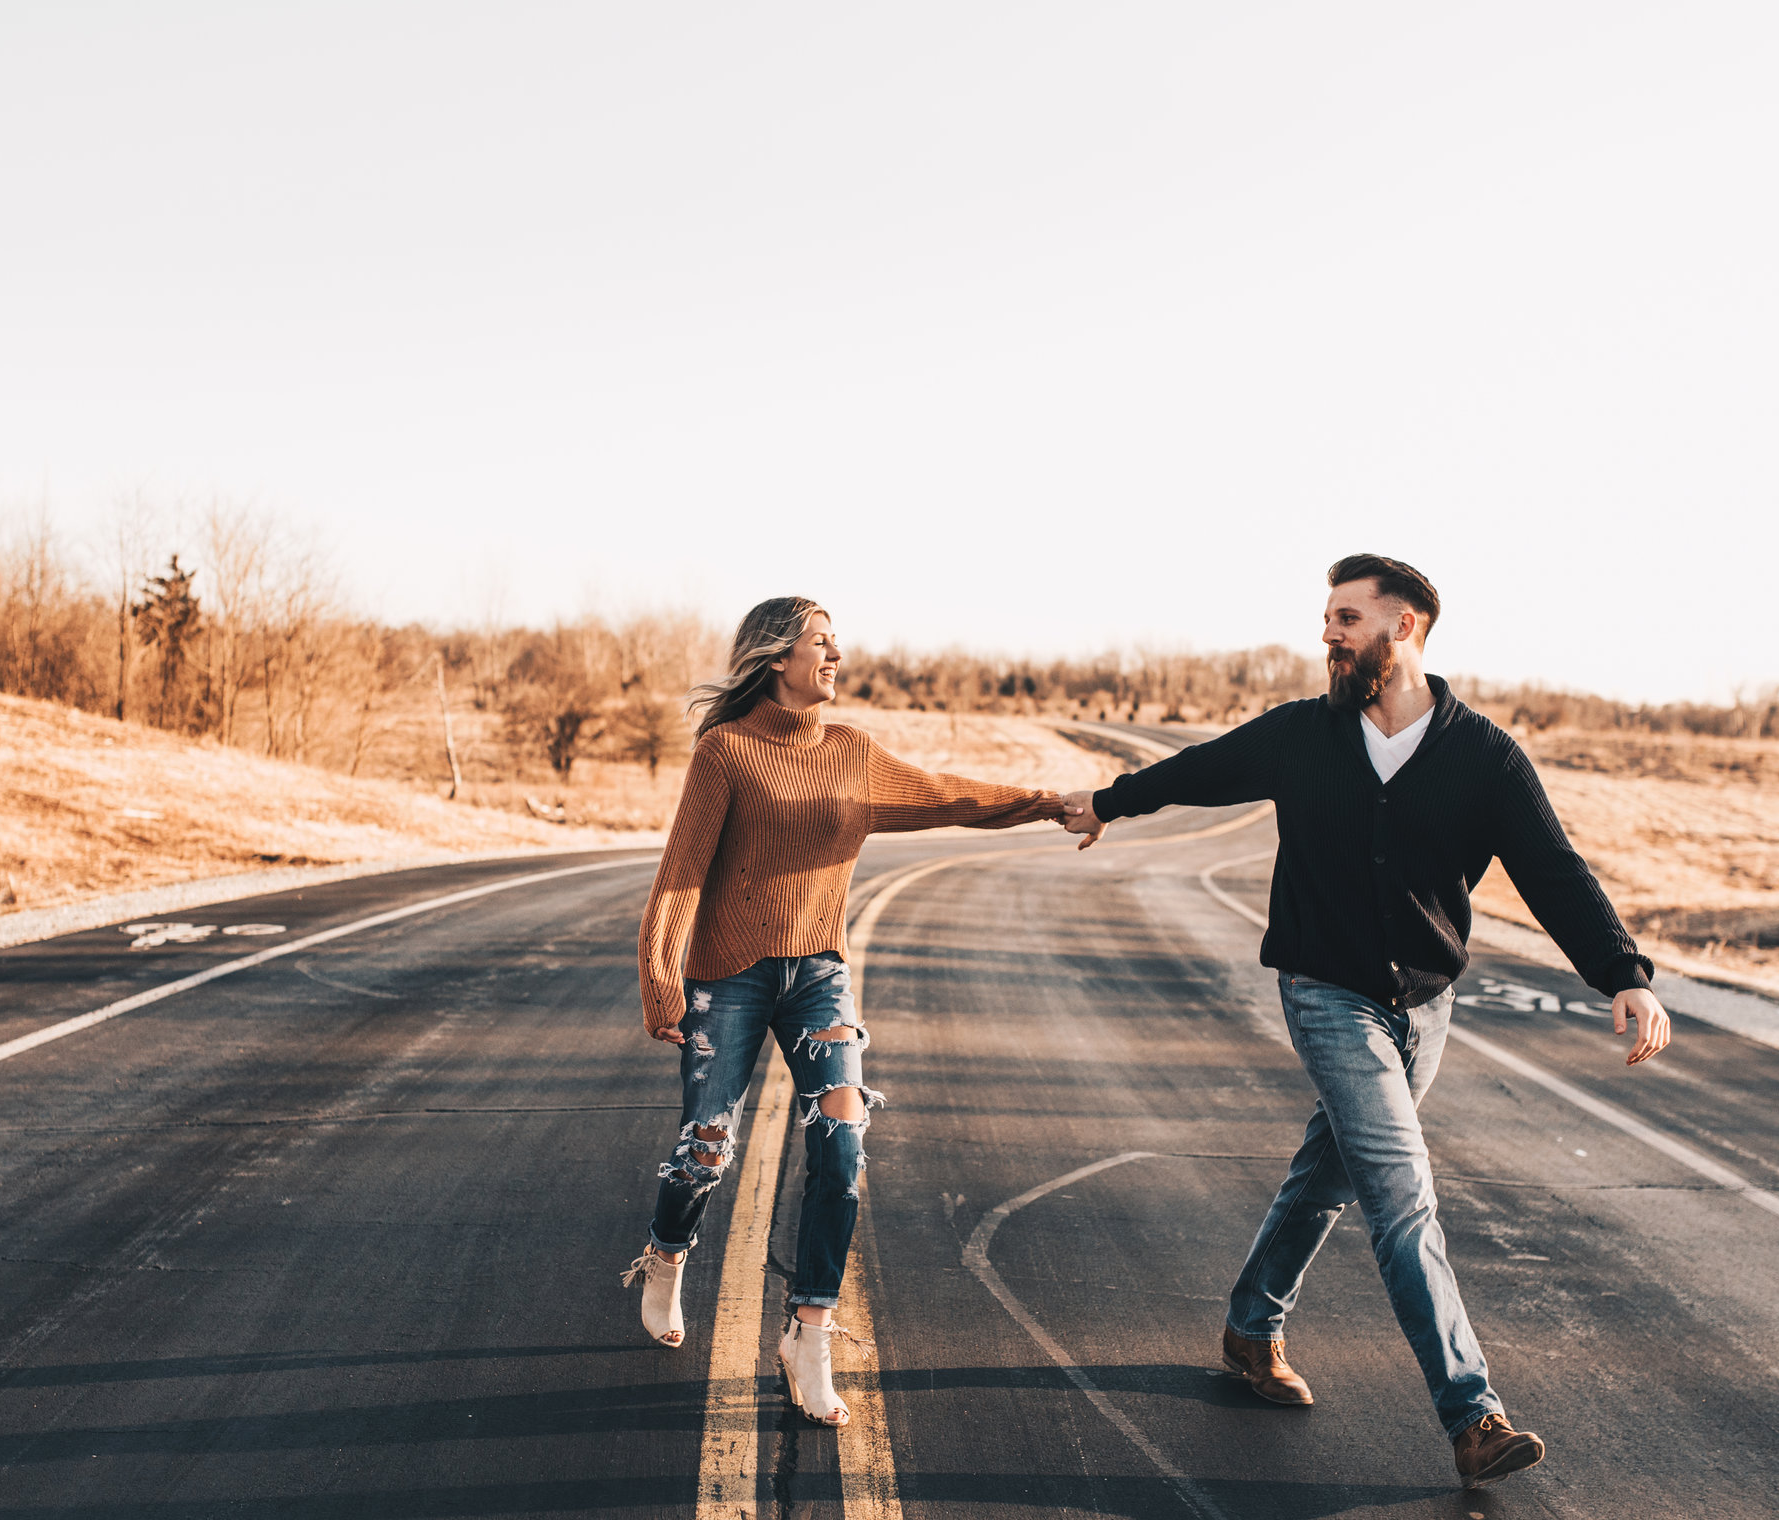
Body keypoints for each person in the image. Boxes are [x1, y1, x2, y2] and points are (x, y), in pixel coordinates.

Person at [1059, 553, 1673, 1490]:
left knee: (1331, 1171)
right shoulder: (1305, 736)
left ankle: (1249, 1328)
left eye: (1347, 617)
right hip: (1325, 991)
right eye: (1328, 617)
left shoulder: (1484, 757)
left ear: (1407, 628)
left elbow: (1552, 869)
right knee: (1401, 1190)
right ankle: (1473, 1415)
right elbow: (1202, 770)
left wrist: (1622, 974)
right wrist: (1105, 802)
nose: (1328, 634)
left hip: (1425, 1007)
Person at [625, 596, 1066, 1426]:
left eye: (835, 643)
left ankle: (810, 1332)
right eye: (821, 643)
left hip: (819, 975)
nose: (836, 656)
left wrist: (1045, 801)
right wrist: (662, 979)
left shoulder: (851, 752)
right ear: (776, 656)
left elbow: (947, 796)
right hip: (731, 976)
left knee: (844, 1142)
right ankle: (666, 1253)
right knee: (706, 1152)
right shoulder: (725, 752)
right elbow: (680, 874)